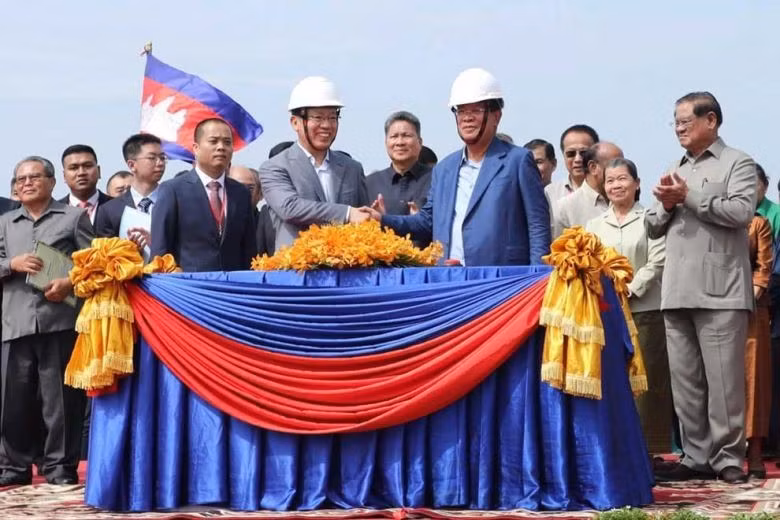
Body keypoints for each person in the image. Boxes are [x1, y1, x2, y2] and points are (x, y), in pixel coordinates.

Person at [647, 91, 756, 484]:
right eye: (674, 122)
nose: (678, 127)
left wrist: (687, 197)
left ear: (710, 120)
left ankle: (728, 458)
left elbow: (742, 212)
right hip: (675, 289)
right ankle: (695, 455)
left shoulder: (736, 162)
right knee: (686, 382)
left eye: (685, 120)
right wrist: (667, 203)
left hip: (720, 290)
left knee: (725, 382)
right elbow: (652, 226)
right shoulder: (675, 167)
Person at [368, 68, 550, 266]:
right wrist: (381, 220)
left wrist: (536, 279)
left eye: (476, 110)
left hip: (501, 283)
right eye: (462, 111)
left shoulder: (518, 161)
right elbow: (426, 221)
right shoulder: (445, 169)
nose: (467, 118)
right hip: (451, 281)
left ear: (496, 116)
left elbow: (537, 225)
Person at [0, 156, 93, 486]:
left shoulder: (73, 217)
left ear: (52, 182)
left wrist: (68, 282)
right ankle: (13, 467)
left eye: (34, 176)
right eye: (20, 178)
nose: (26, 183)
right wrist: (12, 262)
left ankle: (59, 467)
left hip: (59, 321)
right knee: (13, 401)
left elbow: (91, 264)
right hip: (14, 322)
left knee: (61, 401)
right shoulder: (6, 223)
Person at [586, 158, 671, 457]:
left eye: (623, 179)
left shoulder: (651, 219)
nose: (616, 185)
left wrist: (629, 289)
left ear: (636, 184)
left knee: (648, 383)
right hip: (607, 313)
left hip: (644, 311)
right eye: (610, 180)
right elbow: (590, 265)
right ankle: (614, 450)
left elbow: (657, 262)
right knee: (612, 379)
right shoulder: (593, 226)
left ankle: (650, 451)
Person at [258, 76, 370, 249]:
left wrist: (373, 216)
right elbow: (290, 208)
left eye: (332, 118)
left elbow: (362, 217)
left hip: (348, 270)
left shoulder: (352, 168)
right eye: (318, 118)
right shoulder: (274, 167)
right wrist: (347, 213)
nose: (326, 125)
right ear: (295, 122)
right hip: (298, 270)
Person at [150, 118, 256, 272]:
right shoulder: (173, 190)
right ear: (196, 148)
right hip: (190, 289)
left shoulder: (241, 193)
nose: (221, 147)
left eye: (227, 142)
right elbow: (160, 252)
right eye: (213, 141)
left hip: (234, 287)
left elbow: (249, 250)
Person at [94, 134, 164, 244]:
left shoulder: (177, 202)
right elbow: (105, 254)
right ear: (132, 165)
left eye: (162, 158)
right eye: (152, 158)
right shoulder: (109, 210)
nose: (160, 163)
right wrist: (129, 249)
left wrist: (156, 242)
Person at [367, 111, 432, 227]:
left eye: (406, 136)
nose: (400, 142)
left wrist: (420, 221)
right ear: (386, 143)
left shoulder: (436, 179)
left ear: (420, 142)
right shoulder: (369, 183)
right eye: (394, 136)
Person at [744, 213, 773, 478]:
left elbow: (763, 269)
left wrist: (746, 301)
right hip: (712, 307)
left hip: (751, 310)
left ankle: (754, 453)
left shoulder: (757, 224)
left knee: (754, 383)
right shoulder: (711, 219)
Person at [553, 141, 623, 237]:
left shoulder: (626, 200)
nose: (622, 171)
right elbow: (559, 249)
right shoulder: (565, 208)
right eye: (614, 165)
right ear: (593, 167)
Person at [544, 124, 599, 205]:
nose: (578, 159)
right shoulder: (550, 193)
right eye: (571, 154)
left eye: (584, 153)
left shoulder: (609, 191)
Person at [59, 145, 112, 225]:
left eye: (87, 166)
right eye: (74, 168)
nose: (81, 173)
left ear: (99, 171)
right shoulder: (54, 212)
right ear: (64, 176)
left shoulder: (117, 207)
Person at [228, 165, 274, 256]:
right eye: (237, 186)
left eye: (250, 188)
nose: (243, 192)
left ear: (260, 194)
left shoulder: (268, 222)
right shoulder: (217, 221)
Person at [756, 164, 780, 238]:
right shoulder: (734, 213)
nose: (749, 190)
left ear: (766, 186)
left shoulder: (777, 214)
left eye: (753, 185)